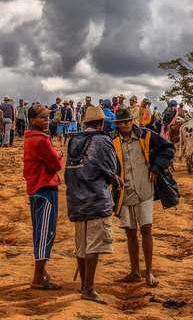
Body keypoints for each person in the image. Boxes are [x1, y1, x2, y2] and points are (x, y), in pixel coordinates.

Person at [109, 108, 175, 286]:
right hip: (123, 192)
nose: (127, 124)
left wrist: (156, 168)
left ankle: (149, 271)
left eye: (129, 120)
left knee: (146, 229)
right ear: (117, 124)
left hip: (144, 189)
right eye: (123, 122)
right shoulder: (111, 140)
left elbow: (168, 148)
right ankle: (134, 272)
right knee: (130, 232)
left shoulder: (146, 135)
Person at [65, 106, 124, 304]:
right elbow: (110, 167)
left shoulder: (74, 140)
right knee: (93, 245)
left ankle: (84, 284)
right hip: (96, 199)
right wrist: (114, 177)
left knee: (81, 245)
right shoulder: (103, 140)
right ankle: (89, 289)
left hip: (77, 199)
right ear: (101, 123)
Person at [23, 104, 63, 290]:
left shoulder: (31, 137)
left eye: (47, 117)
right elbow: (55, 165)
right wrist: (59, 154)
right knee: (45, 232)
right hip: (45, 187)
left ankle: (42, 273)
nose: (46, 120)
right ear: (32, 120)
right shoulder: (40, 140)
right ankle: (38, 277)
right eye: (42, 117)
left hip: (35, 188)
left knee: (40, 229)